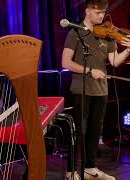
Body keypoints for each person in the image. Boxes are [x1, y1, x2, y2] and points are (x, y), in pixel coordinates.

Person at [62, 0, 130, 179]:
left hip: (101, 91)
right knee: (79, 132)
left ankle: (89, 168)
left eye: (103, 12)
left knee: (94, 132)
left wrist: (128, 50)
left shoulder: (107, 35)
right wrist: (90, 71)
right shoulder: (75, 32)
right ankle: (70, 171)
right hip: (81, 90)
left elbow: (114, 61)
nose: (102, 16)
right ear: (87, 11)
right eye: (98, 12)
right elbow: (65, 62)